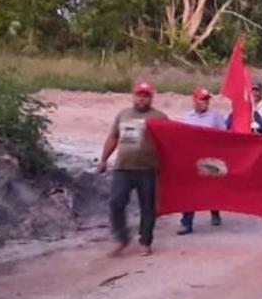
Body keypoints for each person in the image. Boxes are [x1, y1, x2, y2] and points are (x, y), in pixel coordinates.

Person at [97, 82, 167, 256]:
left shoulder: (160, 117)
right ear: (133, 96)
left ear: (151, 98)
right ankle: (121, 238)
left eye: (145, 95)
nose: (142, 98)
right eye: (139, 95)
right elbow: (113, 137)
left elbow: (169, 144)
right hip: (123, 167)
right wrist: (103, 159)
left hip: (148, 169)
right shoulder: (123, 115)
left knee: (148, 207)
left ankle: (145, 241)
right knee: (116, 203)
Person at [177, 87, 229, 233]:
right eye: (202, 99)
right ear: (194, 100)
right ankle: (186, 222)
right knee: (189, 191)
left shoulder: (215, 116)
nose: (205, 102)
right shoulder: (187, 117)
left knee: (212, 188)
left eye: (207, 99)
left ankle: (215, 211)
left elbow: (224, 135)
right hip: (192, 157)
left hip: (210, 157)